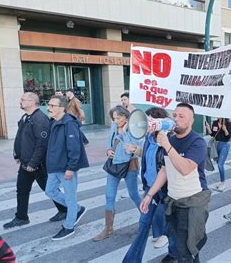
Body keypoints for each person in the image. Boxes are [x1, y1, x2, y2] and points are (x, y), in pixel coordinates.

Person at [139, 103, 210, 262]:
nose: (176, 119)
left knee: (185, 250)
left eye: (181, 116)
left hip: (192, 203)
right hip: (174, 201)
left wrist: (167, 145)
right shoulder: (171, 139)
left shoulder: (197, 142)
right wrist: (149, 195)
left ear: (191, 121)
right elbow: (164, 170)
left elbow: (185, 168)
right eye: (175, 115)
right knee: (184, 248)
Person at [3, 92, 68, 229]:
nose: (20, 101)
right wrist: (17, 154)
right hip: (26, 163)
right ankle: (21, 217)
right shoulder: (26, 117)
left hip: (37, 165)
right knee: (22, 189)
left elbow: (42, 144)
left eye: (23, 99)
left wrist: (33, 163)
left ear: (32, 102)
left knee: (49, 189)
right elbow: (22, 137)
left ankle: (67, 209)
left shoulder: (39, 119)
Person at [124, 107, 176, 262]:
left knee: (169, 225)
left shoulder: (168, 139)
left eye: (149, 119)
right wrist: (136, 150)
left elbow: (173, 124)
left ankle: (174, 253)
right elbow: (149, 157)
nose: (146, 124)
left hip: (165, 190)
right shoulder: (148, 139)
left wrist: (162, 129)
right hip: (149, 187)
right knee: (144, 225)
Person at [93, 105, 142, 242]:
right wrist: (108, 151)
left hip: (130, 164)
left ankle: (146, 220)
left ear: (126, 117)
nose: (116, 121)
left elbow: (131, 149)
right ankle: (108, 229)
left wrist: (125, 132)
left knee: (134, 194)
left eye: (118, 118)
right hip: (114, 164)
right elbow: (110, 142)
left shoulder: (134, 128)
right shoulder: (114, 126)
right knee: (109, 195)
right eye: (114, 118)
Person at [45, 95, 88, 240]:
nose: (48, 108)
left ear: (61, 108)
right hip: (54, 166)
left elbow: (74, 148)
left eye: (52, 106)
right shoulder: (54, 122)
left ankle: (69, 226)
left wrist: (71, 168)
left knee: (70, 198)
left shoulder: (68, 124)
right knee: (50, 191)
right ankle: (76, 209)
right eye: (48, 105)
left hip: (66, 168)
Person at [205, 118, 231, 191]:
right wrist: (208, 128)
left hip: (224, 145)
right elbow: (212, 134)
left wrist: (225, 129)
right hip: (216, 145)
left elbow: (228, 136)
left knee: (220, 164)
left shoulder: (228, 123)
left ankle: (223, 182)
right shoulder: (214, 122)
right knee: (218, 162)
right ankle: (221, 182)